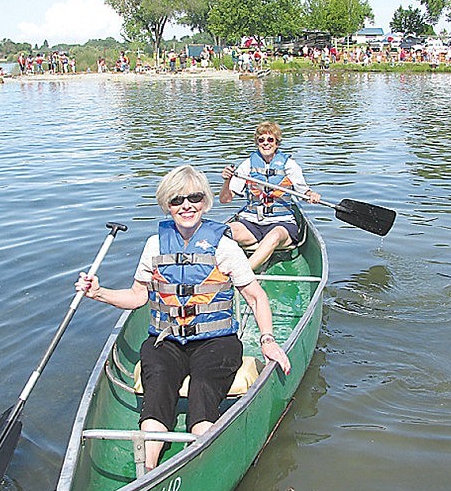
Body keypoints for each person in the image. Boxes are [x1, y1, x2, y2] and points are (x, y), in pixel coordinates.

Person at [75, 165, 290, 471]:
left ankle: (200, 464)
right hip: (168, 339)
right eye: (177, 200)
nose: (186, 205)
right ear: (167, 205)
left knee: (203, 388)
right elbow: (138, 297)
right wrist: (99, 293)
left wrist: (267, 340)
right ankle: (148, 469)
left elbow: (255, 296)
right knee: (158, 387)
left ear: (204, 202)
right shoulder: (154, 245)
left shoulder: (224, 246)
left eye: (194, 197)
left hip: (216, 341)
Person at [220, 121, 321, 270]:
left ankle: (241, 274)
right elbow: (225, 200)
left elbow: (304, 192)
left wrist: (312, 195)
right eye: (261, 140)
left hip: (282, 223)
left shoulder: (289, 165)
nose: (265, 143)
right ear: (257, 143)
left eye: (270, 140)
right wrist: (227, 180)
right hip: (252, 223)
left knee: (273, 237)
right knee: (221, 232)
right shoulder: (247, 165)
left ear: (277, 143)